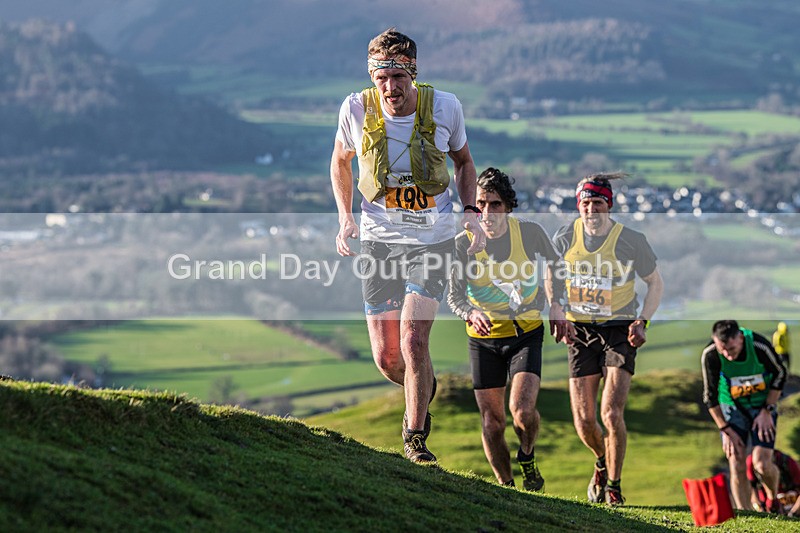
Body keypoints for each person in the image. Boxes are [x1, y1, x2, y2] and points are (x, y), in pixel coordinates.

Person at [330, 28, 485, 464]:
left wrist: (470, 210)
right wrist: (345, 218)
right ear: (371, 76)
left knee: (415, 339)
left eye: (398, 77)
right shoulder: (355, 109)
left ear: (413, 73)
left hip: (431, 241)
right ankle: (425, 388)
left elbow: (465, 162)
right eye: (382, 78)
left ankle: (415, 438)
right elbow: (340, 162)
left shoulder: (446, 107)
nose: (390, 88)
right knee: (387, 356)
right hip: (379, 242)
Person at [447, 167, 570, 490]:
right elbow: (454, 295)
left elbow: (556, 266)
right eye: (481, 204)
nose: (487, 212)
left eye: (495, 204)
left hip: (525, 334)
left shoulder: (529, 234)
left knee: (522, 411)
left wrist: (557, 304)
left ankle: (527, 454)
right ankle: (507, 488)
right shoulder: (462, 245)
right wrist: (469, 313)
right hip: (484, 340)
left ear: (508, 207)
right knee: (492, 421)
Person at [551, 172, 663, 506]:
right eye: (585, 204)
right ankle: (601, 460)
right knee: (584, 422)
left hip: (620, 330)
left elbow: (655, 283)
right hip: (580, 331)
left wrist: (643, 320)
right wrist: (555, 307)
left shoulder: (631, 240)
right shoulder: (563, 237)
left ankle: (614, 486)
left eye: (597, 203)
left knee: (611, 414)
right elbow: (551, 275)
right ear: (578, 206)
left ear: (608, 206)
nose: (591, 211)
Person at [701, 320, 787, 511]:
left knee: (761, 464)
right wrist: (725, 428)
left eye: (731, 349)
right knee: (736, 460)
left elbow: (780, 374)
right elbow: (710, 397)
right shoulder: (711, 354)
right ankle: (746, 515)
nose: (728, 356)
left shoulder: (758, 346)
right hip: (731, 408)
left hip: (762, 405)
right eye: (723, 350)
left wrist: (767, 410)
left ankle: (772, 499)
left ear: (740, 338)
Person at [747, 448, 800, 516]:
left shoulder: (787, 461)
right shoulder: (751, 462)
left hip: (790, 505)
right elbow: (751, 488)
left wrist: (793, 512)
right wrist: (759, 508)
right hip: (766, 506)